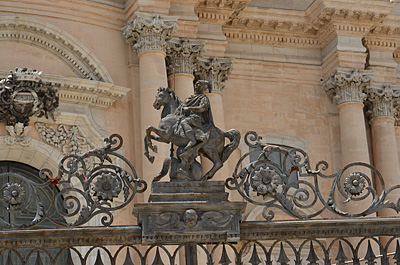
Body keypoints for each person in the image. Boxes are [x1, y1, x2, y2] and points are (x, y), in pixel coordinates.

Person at [178, 80, 214, 150]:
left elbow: (202, 108)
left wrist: (189, 108)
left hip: (197, 119)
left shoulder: (203, 98)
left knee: (184, 122)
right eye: (196, 84)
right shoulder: (190, 98)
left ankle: (192, 140)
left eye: (199, 85)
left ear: (203, 88)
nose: (196, 86)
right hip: (189, 117)